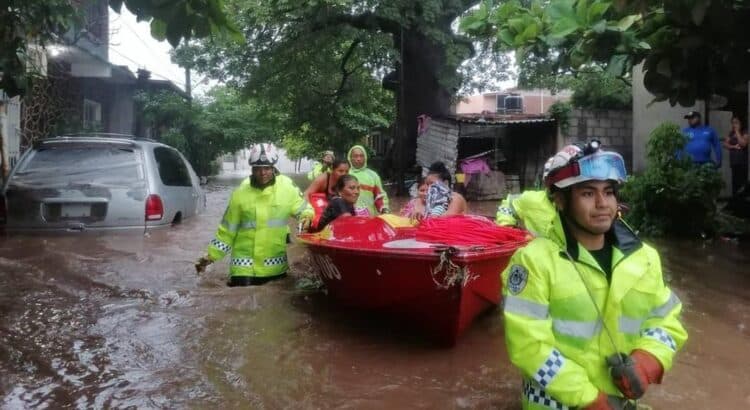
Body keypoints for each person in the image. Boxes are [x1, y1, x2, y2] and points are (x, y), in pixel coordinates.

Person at [501, 142, 687, 409]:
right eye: (588, 193)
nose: (602, 204)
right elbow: (529, 346)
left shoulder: (644, 258)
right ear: (561, 201)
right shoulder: (533, 262)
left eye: (608, 192)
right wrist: (590, 399)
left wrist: (648, 361)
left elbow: (666, 321)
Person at [195, 143, 313, 286]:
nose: (263, 173)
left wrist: (306, 217)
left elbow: (303, 208)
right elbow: (227, 231)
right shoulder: (239, 194)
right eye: (258, 169)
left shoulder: (287, 188)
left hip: (275, 267)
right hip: (242, 269)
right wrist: (211, 256)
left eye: (267, 168)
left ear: (274, 167)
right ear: (252, 169)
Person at [347, 145, 389, 215]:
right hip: (349, 218)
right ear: (350, 158)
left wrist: (384, 209)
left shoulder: (373, 175)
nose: (358, 159)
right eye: (355, 156)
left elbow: (379, 196)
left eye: (361, 156)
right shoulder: (345, 174)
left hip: (369, 219)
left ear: (365, 157)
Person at [723, 116, 749, 195]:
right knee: (735, 183)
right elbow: (725, 144)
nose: (734, 125)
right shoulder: (731, 133)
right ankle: (735, 201)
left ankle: (742, 202)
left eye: (736, 123)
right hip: (734, 161)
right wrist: (733, 146)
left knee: (742, 184)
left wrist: (737, 132)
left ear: (741, 123)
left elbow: (743, 144)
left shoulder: (745, 132)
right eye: (733, 123)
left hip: (742, 162)